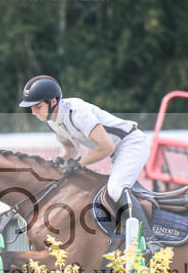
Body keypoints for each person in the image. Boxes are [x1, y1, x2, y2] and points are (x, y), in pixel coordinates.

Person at [19, 74, 152, 228]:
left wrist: (78, 164)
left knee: (116, 190)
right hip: (117, 151)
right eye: (31, 108)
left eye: (38, 107)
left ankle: (150, 239)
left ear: (53, 101)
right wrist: (60, 161)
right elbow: (69, 149)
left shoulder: (77, 112)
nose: (34, 112)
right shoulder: (52, 121)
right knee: (105, 192)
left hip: (132, 143)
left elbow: (107, 147)